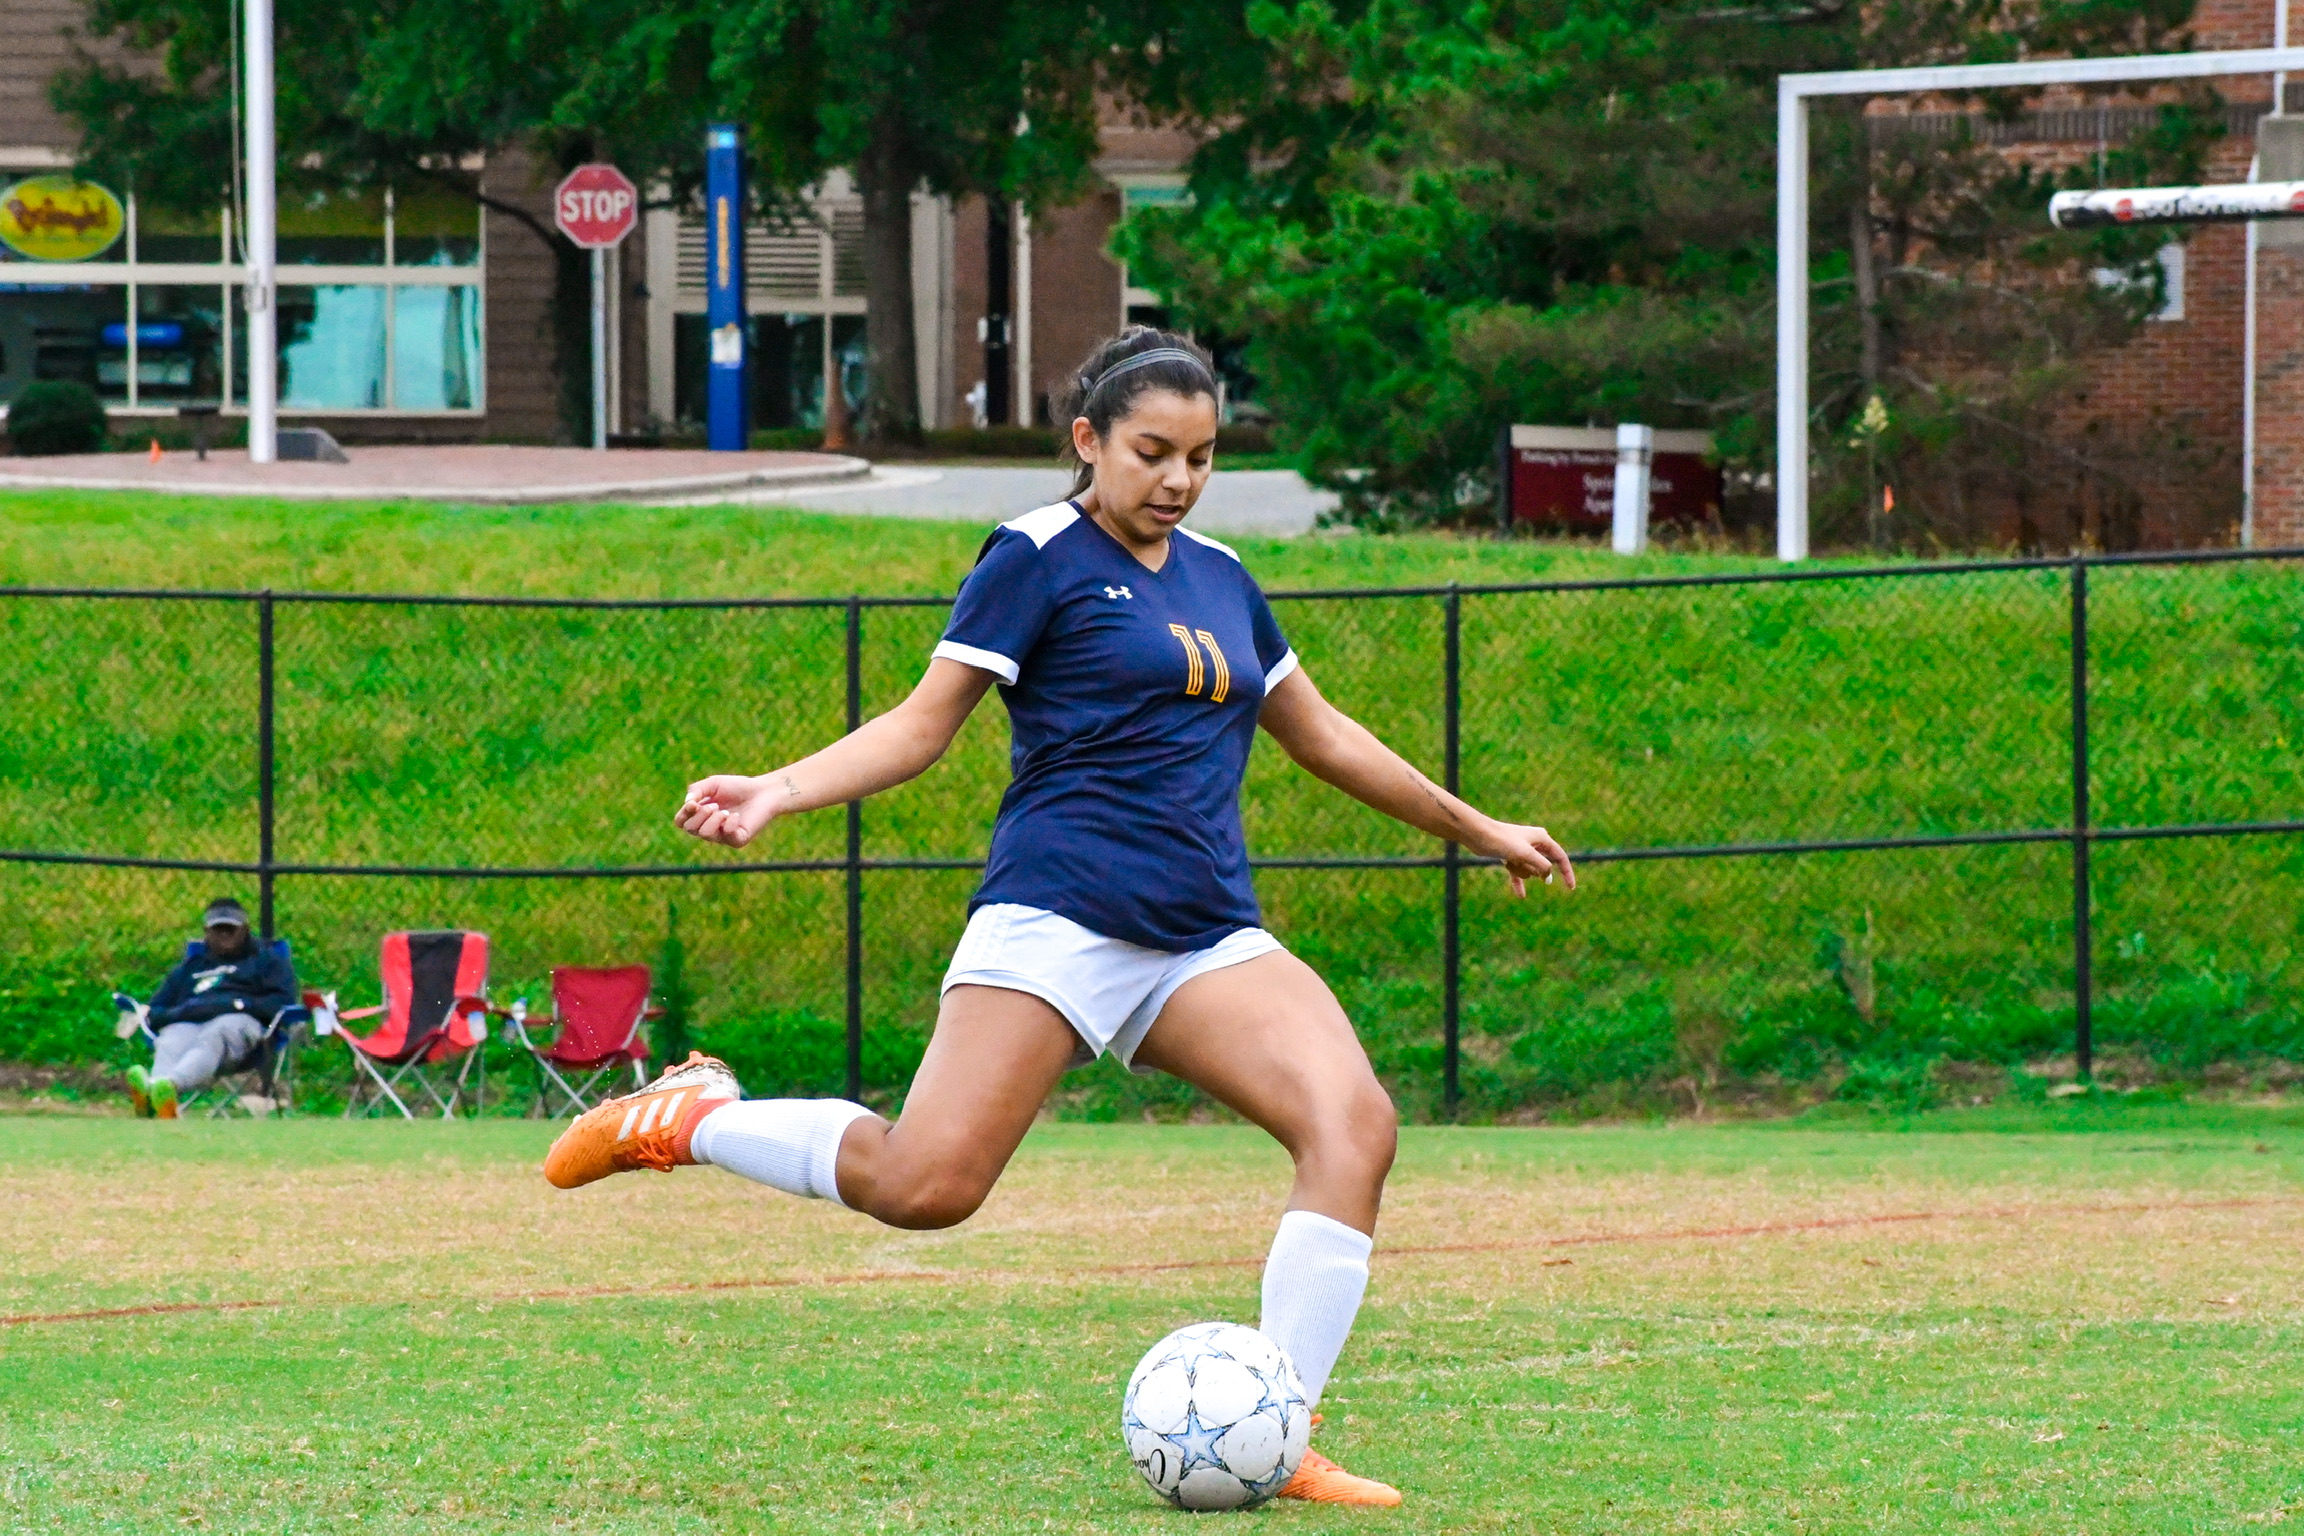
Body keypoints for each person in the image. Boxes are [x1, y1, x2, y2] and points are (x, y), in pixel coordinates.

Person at [543, 327, 1574, 1506]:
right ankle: (693, 1117)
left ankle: (1277, 1430)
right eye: (1151, 452)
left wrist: (1478, 825)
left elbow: (1325, 736)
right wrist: (777, 788)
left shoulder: (1225, 575)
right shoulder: (1035, 553)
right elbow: (921, 725)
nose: (1178, 480)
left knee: (1355, 1129)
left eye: (1201, 456)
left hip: (1202, 935)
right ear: (1088, 441)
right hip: (1060, 917)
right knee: (925, 1186)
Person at [122, 898, 298, 1119]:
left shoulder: (266, 961)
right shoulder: (191, 967)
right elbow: (156, 1010)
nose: (224, 934)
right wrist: (180, 1014)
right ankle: (157, 1098)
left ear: (245, 930)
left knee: (218, 1032)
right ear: (206, 931)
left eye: (230, 929)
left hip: (242, 1030)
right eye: (217, 929)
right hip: (189, 1023)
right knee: (172, 1037)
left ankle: (168, 1087)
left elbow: (282, 1003)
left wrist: (238, 1005)